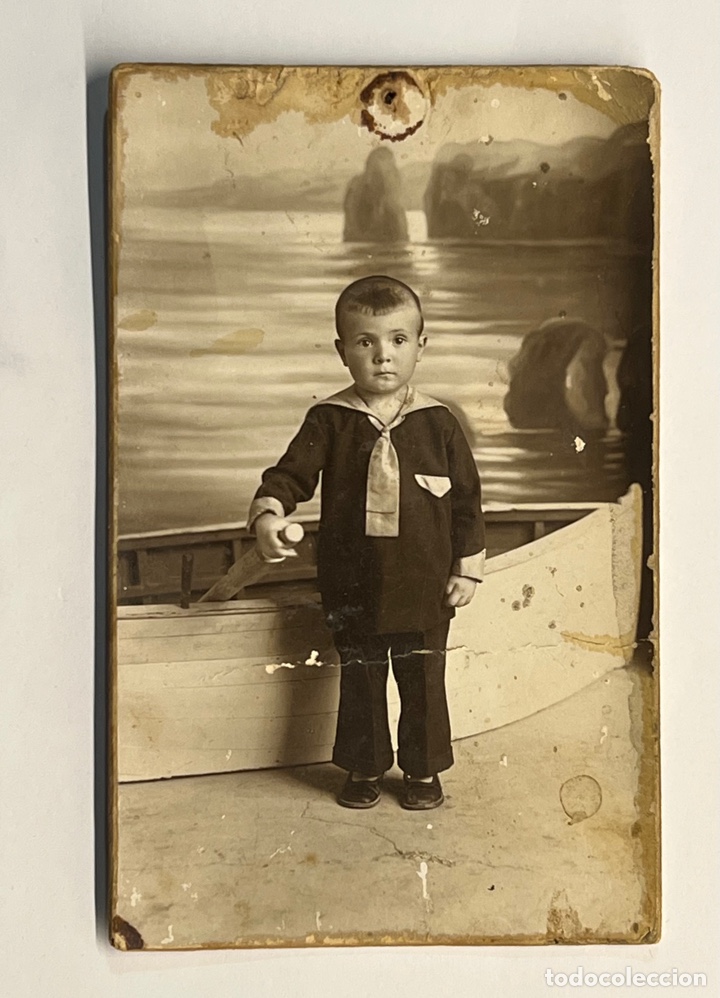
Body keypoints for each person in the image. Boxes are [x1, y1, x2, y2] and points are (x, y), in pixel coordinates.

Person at [248, 276, 485, 811]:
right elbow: (290, 477)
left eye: (398, 341)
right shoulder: (329, 420)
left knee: (423, 679)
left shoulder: (439, 424)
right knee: (361, 678)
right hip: (352, 581)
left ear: (421, 347)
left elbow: (468, 502)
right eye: (365, 342)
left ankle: (423, 771)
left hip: (425, 583)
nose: (383, 357)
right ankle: (364, 767)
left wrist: (466, 569)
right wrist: (269, 513)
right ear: (342, 351)